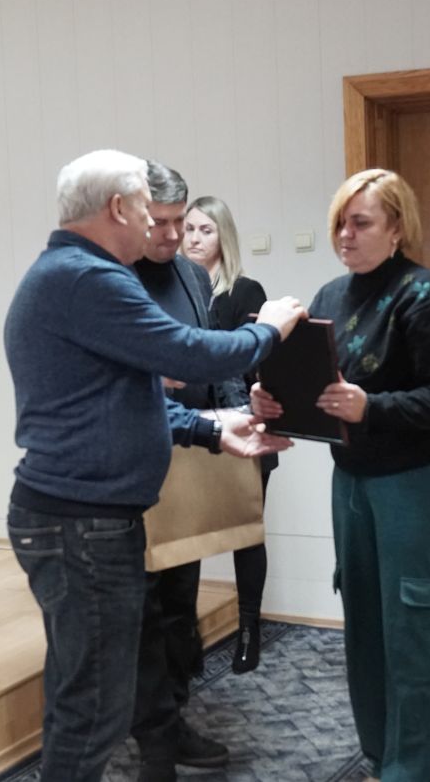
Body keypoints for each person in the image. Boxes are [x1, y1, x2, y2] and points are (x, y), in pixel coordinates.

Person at [4, 149, 305, 782]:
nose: (158, 225)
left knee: (84, 699)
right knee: (95, 710)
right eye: (148, 208)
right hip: (82, 524)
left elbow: (131, 396)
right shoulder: (89, 278)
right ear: (118, 208)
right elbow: (190, 353)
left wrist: (210, 428)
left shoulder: (74, 272)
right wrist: (271, 330)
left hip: (82, 517)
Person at [251, 169, 430, 781]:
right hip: (352, 480)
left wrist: (371, 407)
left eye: (360, 223)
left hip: (420, 482)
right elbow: (317, 388)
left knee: (417, 625)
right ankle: (381, 756)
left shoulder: (426, 296)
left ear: (397, 228)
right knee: (367, 623)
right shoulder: (328, 298)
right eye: (339, 224)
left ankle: (423, 770)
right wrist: (269, 402)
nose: (345, 235)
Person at [129, 166, 250, 781]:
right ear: (133, 214)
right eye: (160, 222)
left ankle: (173, 716)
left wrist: (240, 416)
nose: (173, 234)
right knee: (144, 605)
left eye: (180, 222)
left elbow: (210, 353)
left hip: (194, 448)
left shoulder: (190, 274)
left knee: (181, 597)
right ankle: (151, 733)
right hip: (135, 461)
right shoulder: (113, 277)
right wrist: (154, 373)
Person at [182, 195, 275, 674]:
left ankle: (248, 629)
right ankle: (186, 636)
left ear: (224, 237)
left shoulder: (244, 290)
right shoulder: (177, 294)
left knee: (246, 532)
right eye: (189, 229)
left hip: (243, 427)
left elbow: (254, 360)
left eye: (206, 230)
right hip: (191, 428)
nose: (194, 239)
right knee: (186, 537)